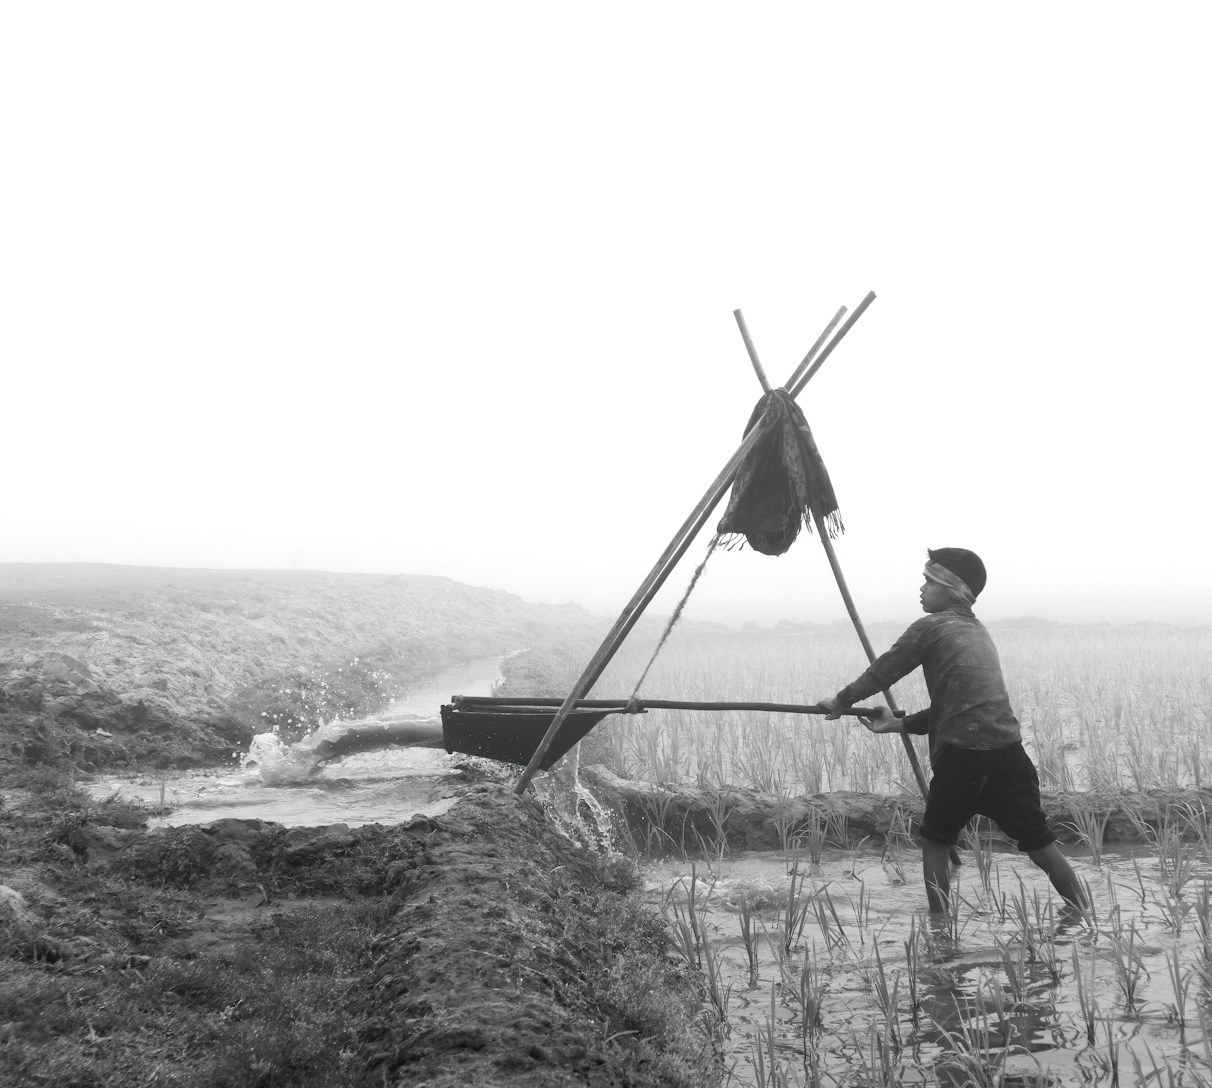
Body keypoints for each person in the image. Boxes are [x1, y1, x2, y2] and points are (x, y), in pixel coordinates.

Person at [816, 547, 1086, 915]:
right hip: (1010, 757)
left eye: (929, 581)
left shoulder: (930, 627)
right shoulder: (979, 632)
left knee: (935, 843)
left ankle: (941, 930)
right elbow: (961, 706)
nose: (922, 588)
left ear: (952, 589)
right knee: (1040, 843)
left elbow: (884, 671)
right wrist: (898, 724)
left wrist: (840, 701)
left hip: (962, 759)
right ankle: (1084, 915)